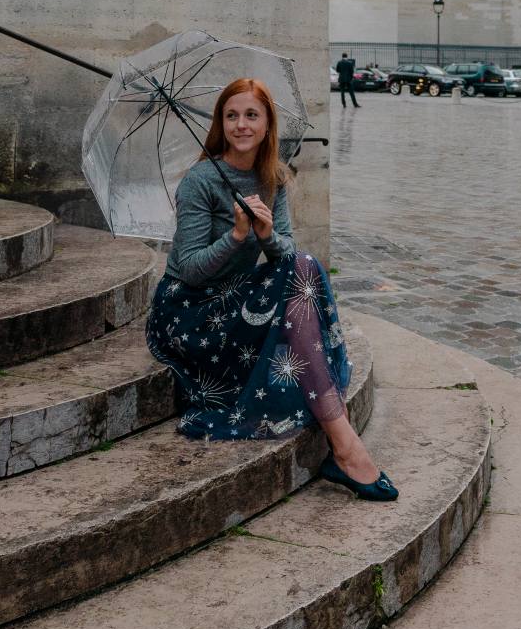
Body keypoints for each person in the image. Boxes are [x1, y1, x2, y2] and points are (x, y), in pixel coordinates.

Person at [146, 77, 396, 501]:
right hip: (189, 312)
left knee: (303, 265)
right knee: (304, 269)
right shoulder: (200, 182)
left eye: (251, 115)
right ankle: (346, 446)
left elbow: (286, 255)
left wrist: (265, 234)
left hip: (235, 299)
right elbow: (188, 271)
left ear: (266, 125)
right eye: (231, 116)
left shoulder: (272, 177)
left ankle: (344, 445)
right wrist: (237, 237)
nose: (241, 125)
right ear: (221, 123)